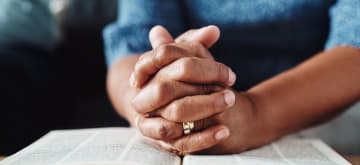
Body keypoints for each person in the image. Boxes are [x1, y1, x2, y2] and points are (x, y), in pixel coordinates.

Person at [103, 0, 360, 155]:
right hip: (197, 110)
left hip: (318, 106)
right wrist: (148, 100)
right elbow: (131, 45)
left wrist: (254, 113)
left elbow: (354, 45)